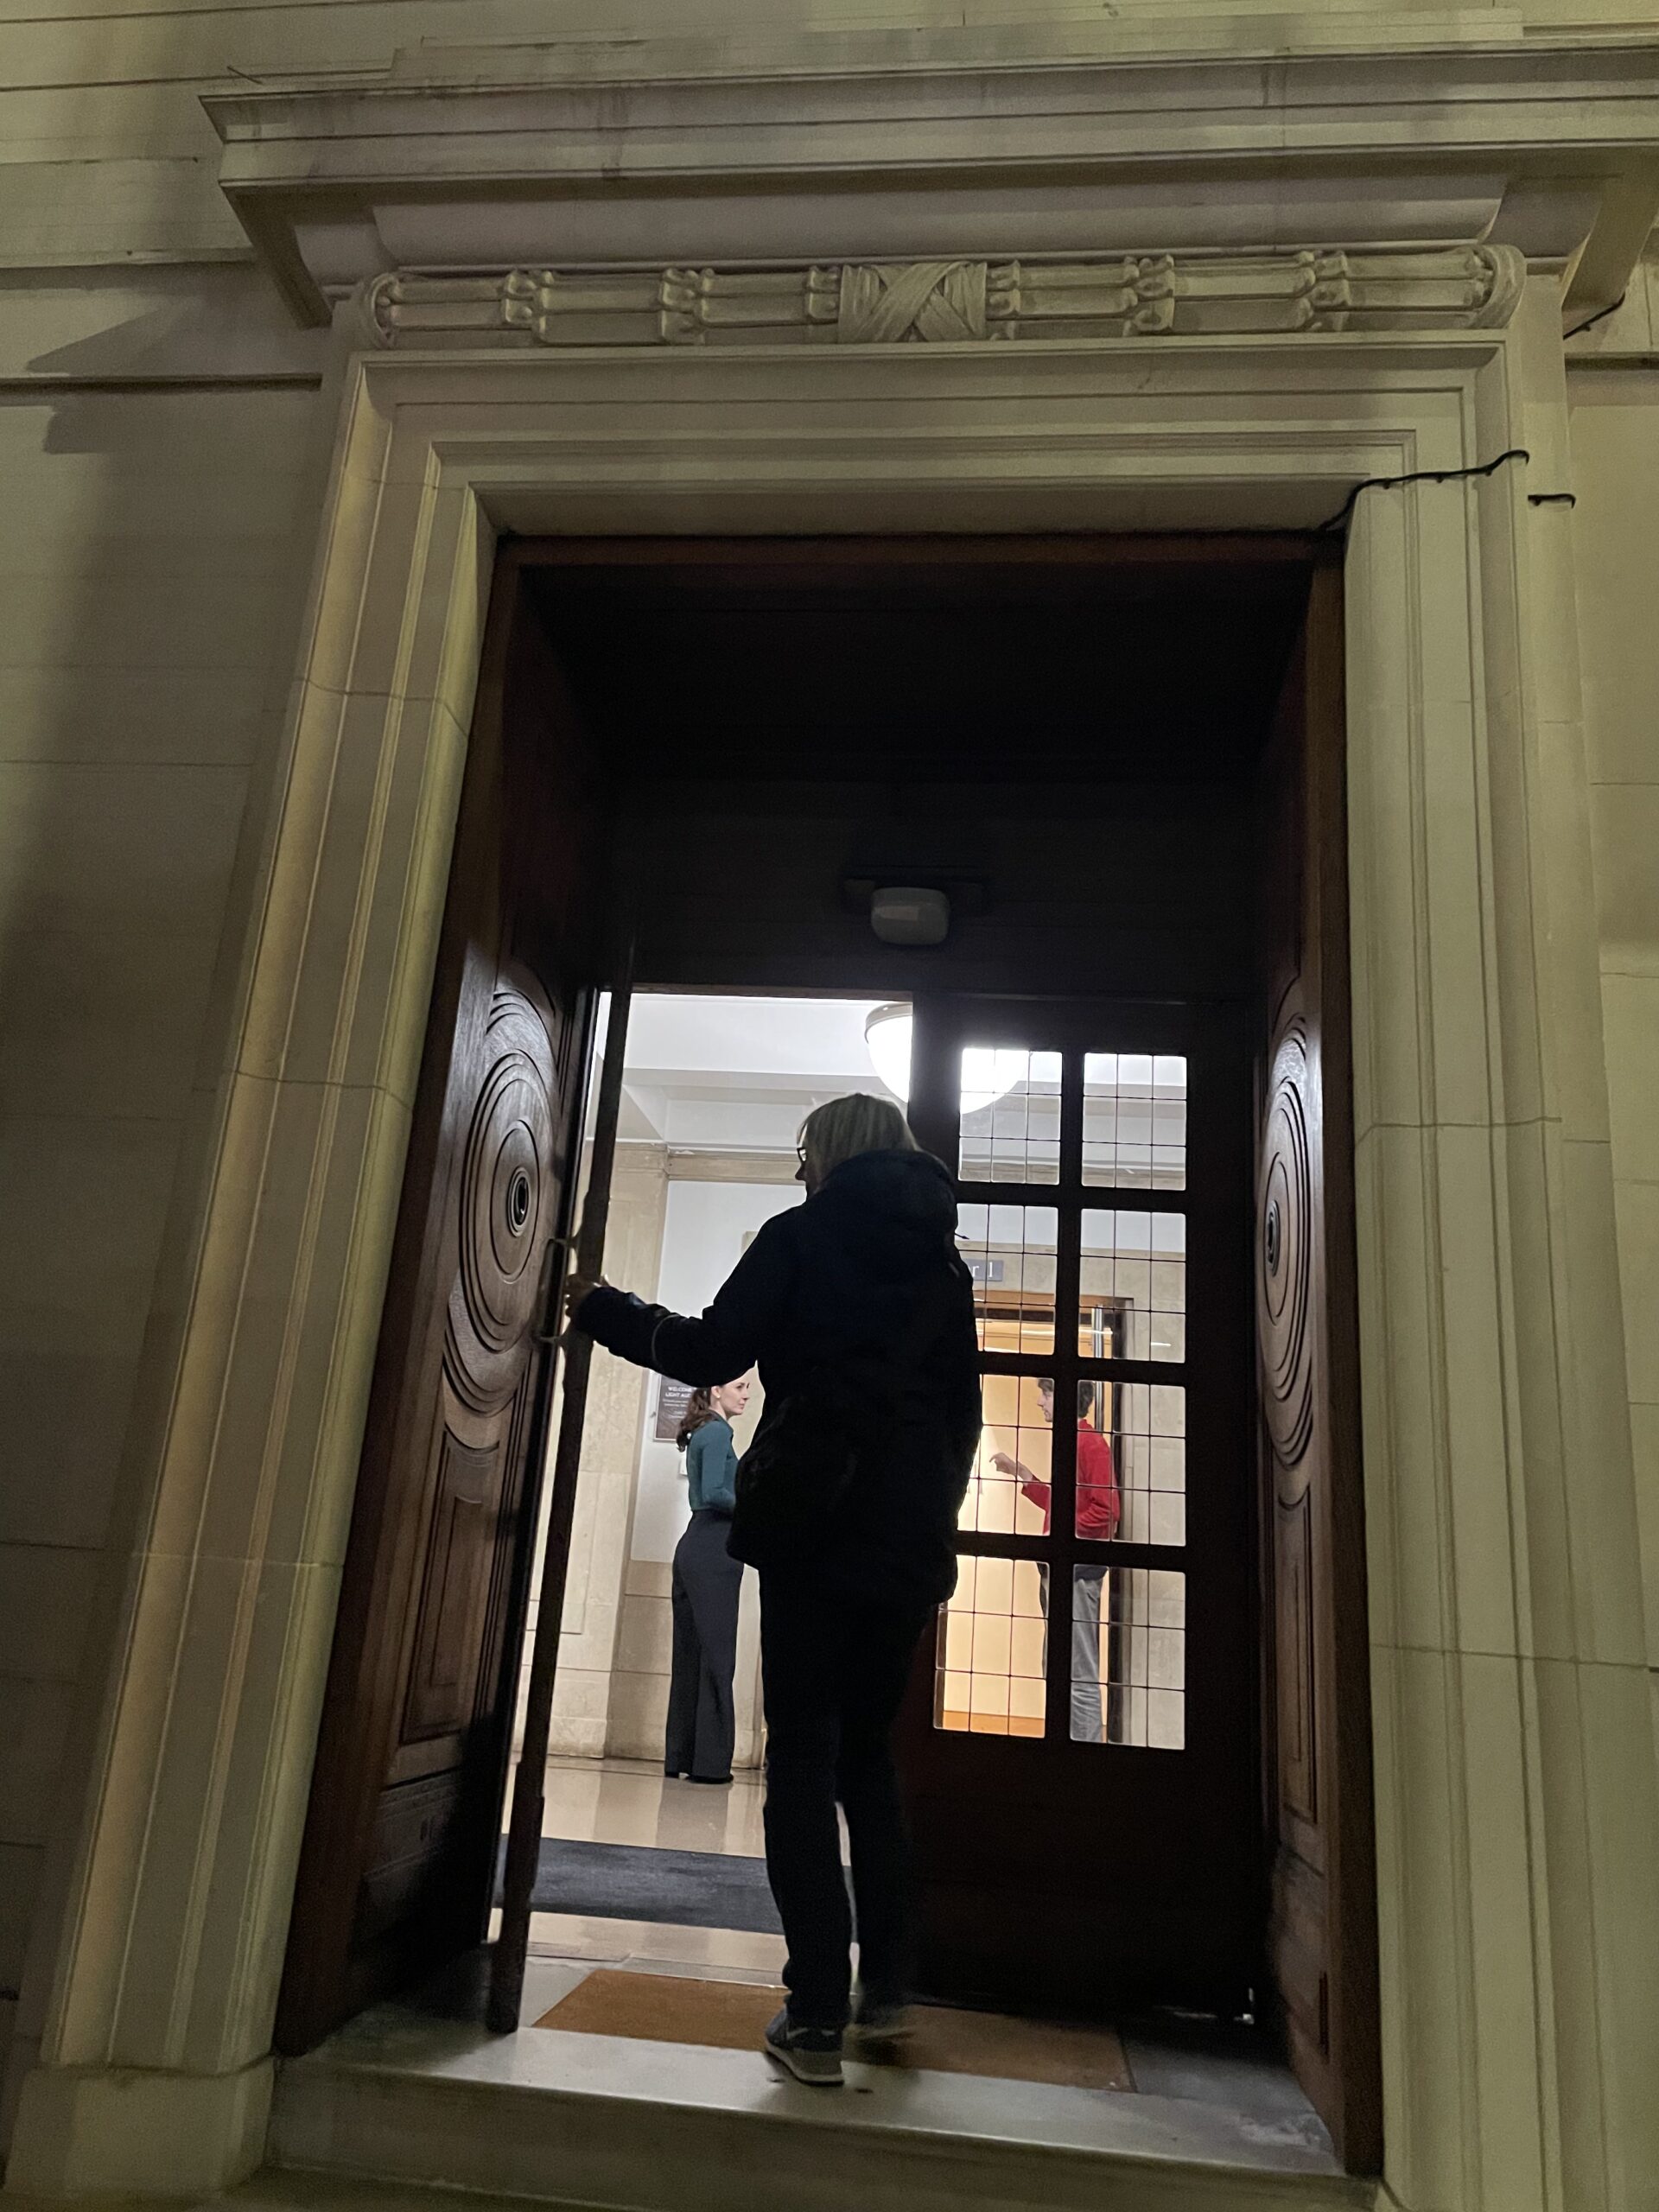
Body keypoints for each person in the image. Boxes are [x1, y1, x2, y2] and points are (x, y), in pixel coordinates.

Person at [568, 1091, 980, 2087]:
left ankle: (816, 2014)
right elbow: (960, 1416)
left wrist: (601, 1307)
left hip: (810, 1533)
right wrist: (926, 1519)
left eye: (805, 1154)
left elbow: (710, 1352)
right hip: (902, 1550)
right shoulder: (944, 1266)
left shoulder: (800, 1237)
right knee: (868, 1759)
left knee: (799, 1756)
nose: (800, 1170)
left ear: (829, 1154)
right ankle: (889, 1989)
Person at [991, 1379, 1120, 1745]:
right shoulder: (1076, 1441)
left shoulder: (1089, 1444)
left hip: (1076, 1573)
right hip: (1065, 1571)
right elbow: (1071, 1506)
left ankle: (1083, 1754)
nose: (1040, 1402)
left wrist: (1063, 1535)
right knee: (1057, 1666)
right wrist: (1024, 1475)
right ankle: (1065, 1747)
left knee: (1078, 1672)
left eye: (1046, 1394)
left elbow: (1107, 1511)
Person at [666, 1375, 753, 1786]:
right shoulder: (717, 1433)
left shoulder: (703, 1431)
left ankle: (681, 1755)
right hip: (714, 1550)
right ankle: (711, 1764)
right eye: (740, 1387)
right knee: (717, 1659)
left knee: (690, 1657)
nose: (746, 1394)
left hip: (694, 1545)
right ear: (716, 1390)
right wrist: (756, 1507)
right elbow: (717, 1491)